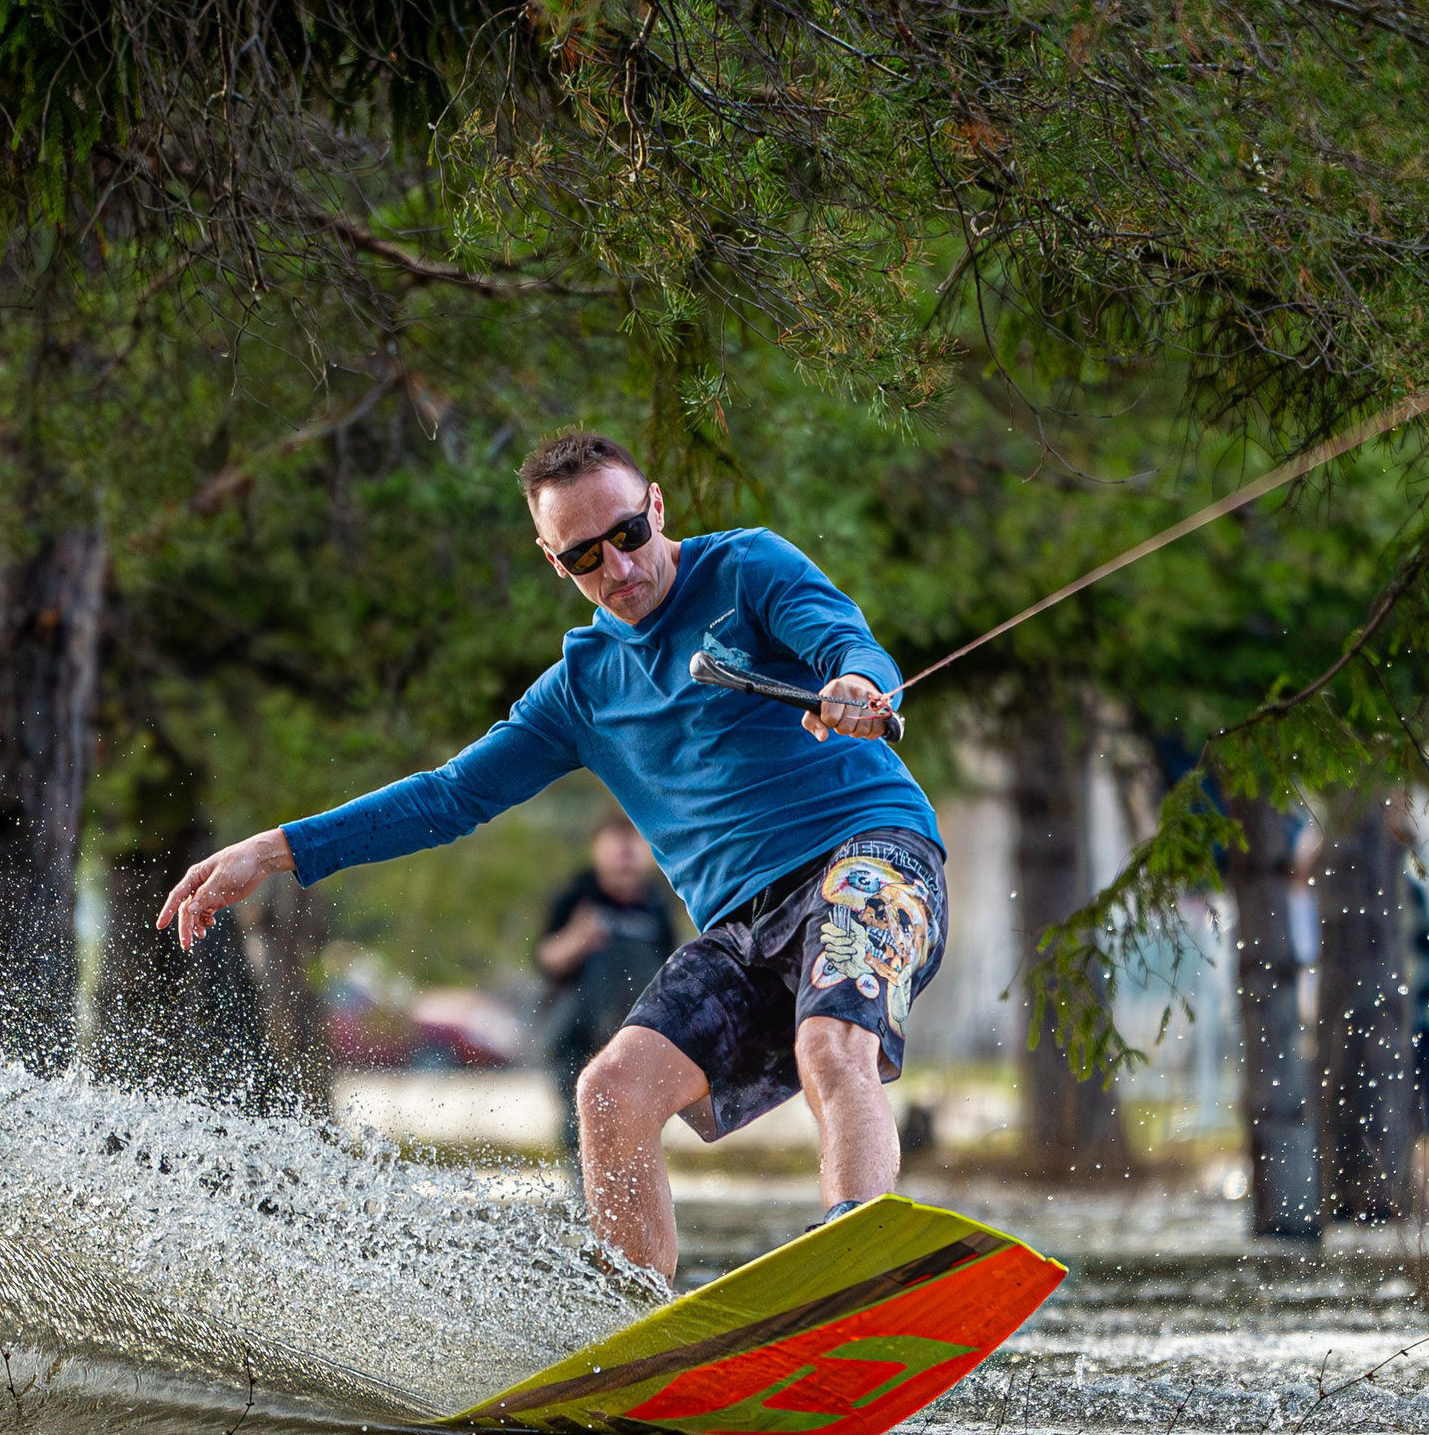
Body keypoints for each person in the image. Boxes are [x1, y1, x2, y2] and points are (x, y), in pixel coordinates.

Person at [156, 430, 947, 1279]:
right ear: (553, 561)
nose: (619, 569)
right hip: (743, 925)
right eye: (584, 557)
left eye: (629, 536)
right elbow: (448, 796)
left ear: (657, 508)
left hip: (870, 858)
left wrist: (857, 685)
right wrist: (276, 849)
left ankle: (855, 1261)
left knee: (831, 1040)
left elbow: (844, 642)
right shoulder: (578, 691)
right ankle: (638, 1338)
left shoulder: (749, 571)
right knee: (609, 1093)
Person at [536, 813, 679, 1159]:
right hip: (577, 1033)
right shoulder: (576, 896)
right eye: (616, 844)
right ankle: (584, 1199)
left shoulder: (658, 906)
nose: (625, 853)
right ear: (598, 849)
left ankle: (632, 1197)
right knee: (580, 1123)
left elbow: (673, 969)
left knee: (634, 1122)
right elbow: (545, 958)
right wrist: (578, 940)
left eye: (634, 844)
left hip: (631, 1032)